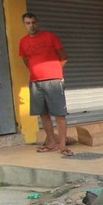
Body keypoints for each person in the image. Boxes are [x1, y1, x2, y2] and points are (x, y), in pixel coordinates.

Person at [18, 12, 71, 156]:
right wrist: (35, 72)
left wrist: (55, 72)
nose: (31, 25)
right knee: (43, 114)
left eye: (34, 22)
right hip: (35, 82)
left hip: (53, 81)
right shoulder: (23, 41)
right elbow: (25, 60)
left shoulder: (50, 37)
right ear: (24, 25)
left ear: (38, 23)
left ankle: (63, 145)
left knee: (59, 114)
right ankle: (52, 142)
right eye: (28, 23)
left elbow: (64, 57)